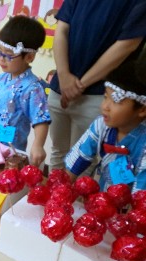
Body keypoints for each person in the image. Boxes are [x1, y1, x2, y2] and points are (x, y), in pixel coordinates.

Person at [48, 0, 146, 171]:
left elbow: (127, 44)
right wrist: (63, 76)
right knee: (58, 153)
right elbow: (62, 29)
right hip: (60, 89)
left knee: (84, 163)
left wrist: (79, 85)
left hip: (100, 95)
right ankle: (51, 197)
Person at [0, 15, 51, 167]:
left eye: (8, 55)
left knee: (4, 183)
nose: (1, 59)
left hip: (11, 153)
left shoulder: (32, 88)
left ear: (29, 57)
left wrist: (38, 145)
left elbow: (41, 119)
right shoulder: (1, 79)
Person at [65, 52, 146, 193]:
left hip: (131, 209)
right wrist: (61, 192)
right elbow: (77, 160)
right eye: (105, 97)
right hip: (102, 199)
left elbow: (141, 198)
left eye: (115, 101)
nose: (105, 106)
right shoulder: (101, 125)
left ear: (142, 109)